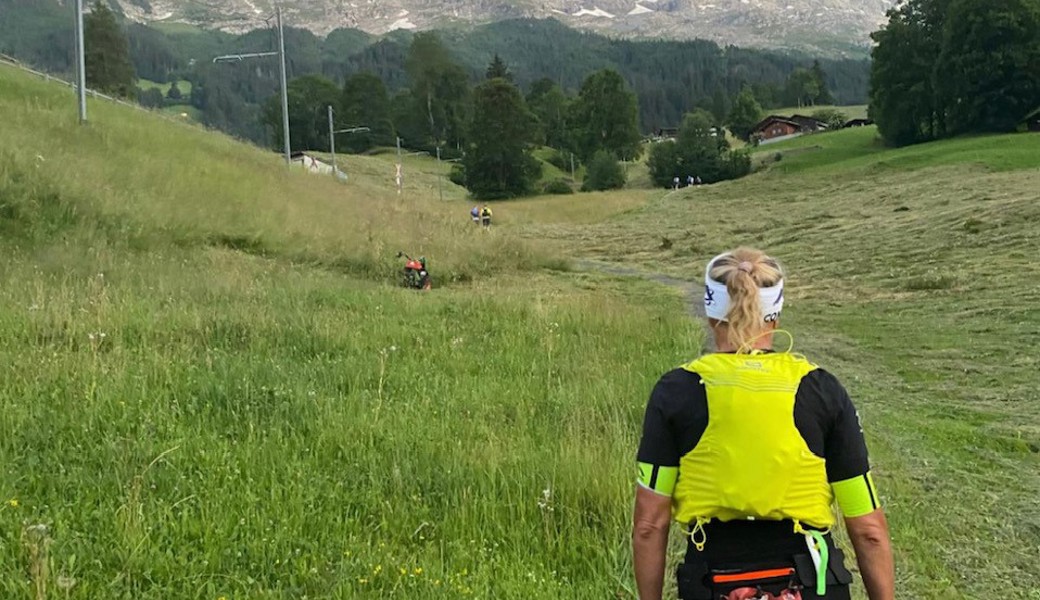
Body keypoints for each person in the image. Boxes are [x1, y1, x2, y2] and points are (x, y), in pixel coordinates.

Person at [632, 248, 894, 600]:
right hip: (810, 580)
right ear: (775, 316)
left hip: (713, 580)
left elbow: (649, 525)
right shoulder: (821, 389)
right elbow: (868, 530)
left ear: (711, 314)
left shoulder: (676, 390)